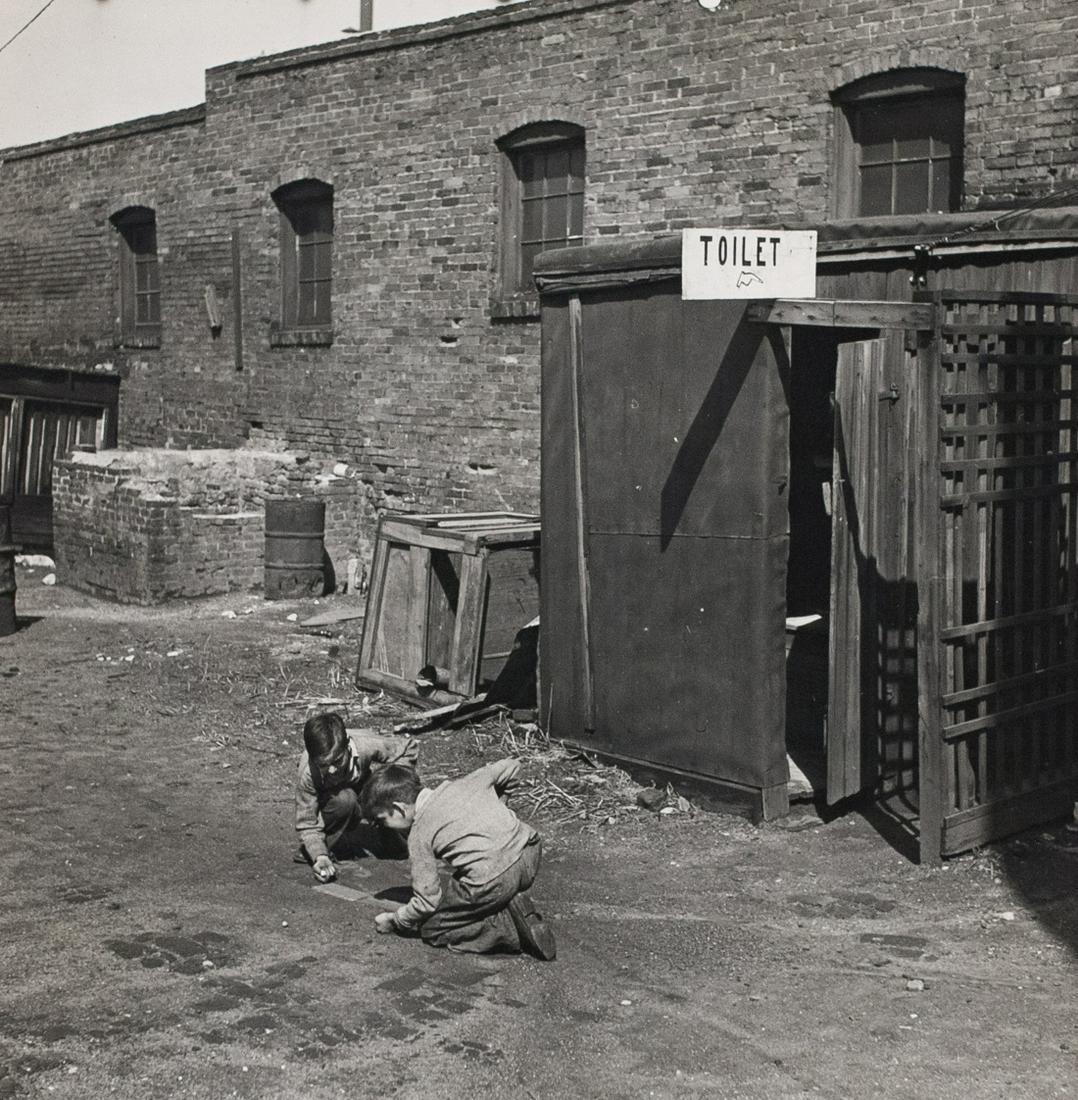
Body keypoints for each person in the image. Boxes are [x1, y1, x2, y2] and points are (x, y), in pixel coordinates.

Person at [360, 759, 556, 960]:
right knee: (462, 880)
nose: (386, 827)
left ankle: (509, 928)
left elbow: (427, 901)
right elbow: (512, 766)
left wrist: (397, 920)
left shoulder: (419, 833)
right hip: (529, 851)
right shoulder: (466, 782)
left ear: (400, 809)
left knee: (433, 929)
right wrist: (499, 804)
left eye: (383, 820)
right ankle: (507, 899)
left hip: (494, 878)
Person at [294, 711, 418, 882]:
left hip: (360, 784)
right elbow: (307, 822)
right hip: (329, 803)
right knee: (346, 800)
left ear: (347, 745)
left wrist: (392, 785)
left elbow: (408, 748)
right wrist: (319, 855)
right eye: (323, 764)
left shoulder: (366, 744)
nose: (331, 770)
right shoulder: (308, 773)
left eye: (337, 761)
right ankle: (326, 845)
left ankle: (386, 827)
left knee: (397, 849)